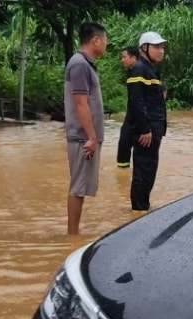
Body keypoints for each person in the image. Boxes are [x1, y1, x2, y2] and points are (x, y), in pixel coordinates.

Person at [63, 22, 107, 235]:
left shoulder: (84, 63)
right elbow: (80, 103)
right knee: (78, 187)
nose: (106, 44)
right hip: (82, 137)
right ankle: (72, 236)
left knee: (80, 187)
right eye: (105, 40)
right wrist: (91, 136)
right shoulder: (80, 64)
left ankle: (74, 233)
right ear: (95, 40)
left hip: (85, 136)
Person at [127, 31, 168, 212]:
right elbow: (136, 101)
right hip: (148, 129)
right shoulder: (140, 69)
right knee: (144, 169)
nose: (161, 51)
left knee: (149, 168)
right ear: (145, 48)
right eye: (157, 47)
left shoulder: (149, 70)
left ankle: (143, 207)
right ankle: (139, 209)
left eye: (162, 47)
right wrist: (144, 129)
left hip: (154, 127)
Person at [116, 46, 138, 169]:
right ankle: (122, 175)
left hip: (138, 118)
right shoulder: (130, 73)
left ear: (133, 58)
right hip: (131, 116)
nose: (122, 60)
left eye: (124, 57)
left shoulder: (139, 73)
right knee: (124, 143)